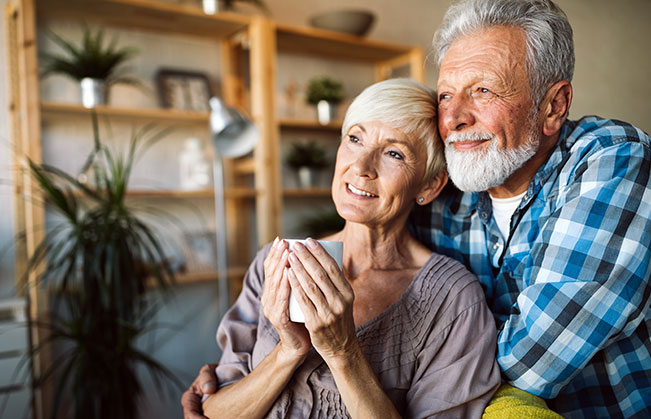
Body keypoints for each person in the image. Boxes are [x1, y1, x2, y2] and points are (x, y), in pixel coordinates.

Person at [194, 78, 501, 418]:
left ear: (429, 185)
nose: (361, 166)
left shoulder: (453, 299)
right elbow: (214, 410)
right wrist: (289, 350)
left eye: (394, 153)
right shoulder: (274, 261)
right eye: (355, 139)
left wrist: (343, 352)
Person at [407, 0, 651, 418]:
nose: (455, 118)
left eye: (483, 90)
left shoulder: (616, 159)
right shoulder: (439, 188)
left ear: (553, 105)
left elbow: (533, 358)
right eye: (446, 94)